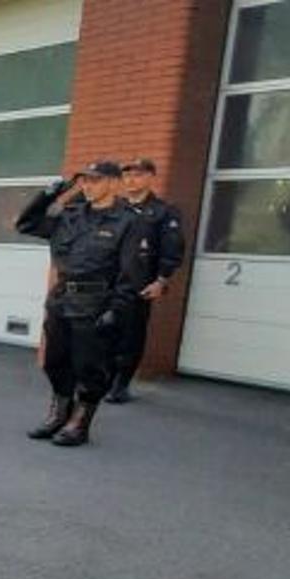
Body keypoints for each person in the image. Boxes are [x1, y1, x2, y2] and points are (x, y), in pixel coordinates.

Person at [16, 161, 153, 447]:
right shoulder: (70, 214)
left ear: (114, 183)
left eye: (96, 181)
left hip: (95, 303)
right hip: (62, 299)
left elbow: (132, 274)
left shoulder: (130, 221)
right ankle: (59, 414)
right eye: (85, 181)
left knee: (89, 367)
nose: (88, 186)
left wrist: (117, 311)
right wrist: (49, 195)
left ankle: (80, 422)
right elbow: (26, 224)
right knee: (54, 361)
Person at [109, 157, 186, 404]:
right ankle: (99, 381)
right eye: (128, 175)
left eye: (138, 174)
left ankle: (120, 386)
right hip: (106, 284)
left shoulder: (163, 212)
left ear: (151, 177)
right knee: (100, 334)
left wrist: (161, 281)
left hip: (137, 287)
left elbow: (172, 249)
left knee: (130, 337)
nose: (131, 179)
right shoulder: (114, 208)